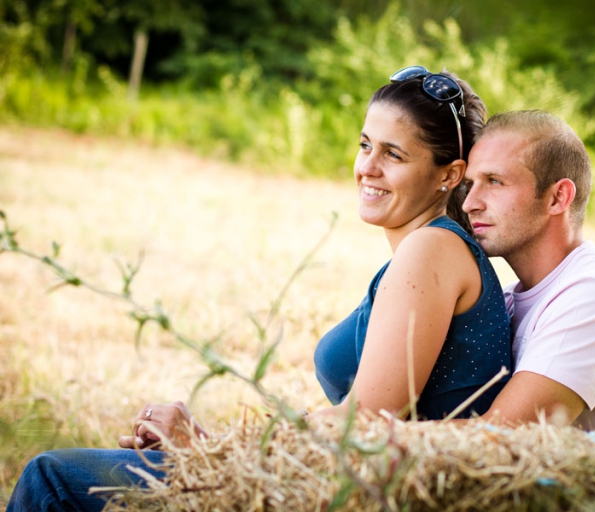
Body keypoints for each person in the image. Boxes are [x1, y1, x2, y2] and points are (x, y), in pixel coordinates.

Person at [7, 66, 512, 510]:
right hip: (352, 481)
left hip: (378, 491)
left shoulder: (431, 252)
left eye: (393, 154)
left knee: (50, 478)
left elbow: (366, 423)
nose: (367, 168)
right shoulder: (433, 251)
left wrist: (211, 446)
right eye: (364, 145)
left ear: (449, 173)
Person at [462, 109, 595, 432]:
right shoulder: (508, 300)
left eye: (494, 181)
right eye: (470, 184)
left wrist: (362, 433)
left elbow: (498, 436)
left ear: (558, 197)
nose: (470, 203)